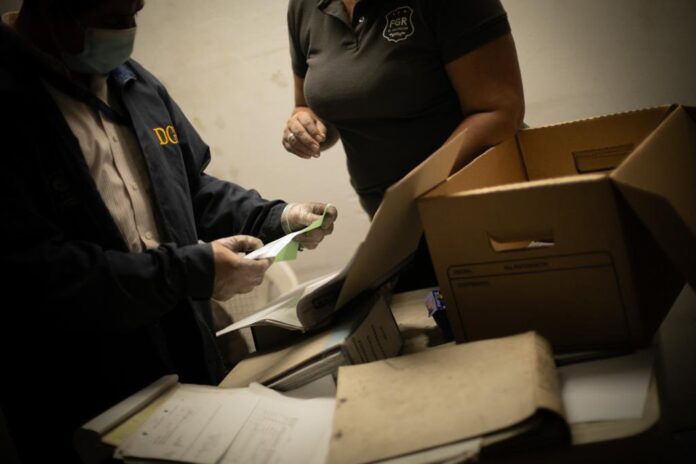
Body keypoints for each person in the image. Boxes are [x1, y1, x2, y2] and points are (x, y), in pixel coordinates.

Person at [0, 0, 337, 461]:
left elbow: (191, 188)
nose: (129, 29)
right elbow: (34, 273)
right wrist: (190, 271)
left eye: (136, 11)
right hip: (83, 387)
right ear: (51, 11)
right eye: (114, 19)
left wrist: (277, 217)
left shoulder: (135, 85)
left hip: (184, 357)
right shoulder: (11, 104)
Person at [282, 0, 524, 289]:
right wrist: (304, 125)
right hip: (392, 225)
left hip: (475, 207)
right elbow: (310, 105)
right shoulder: (304, 7)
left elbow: (499, 112)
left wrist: (408, 197)